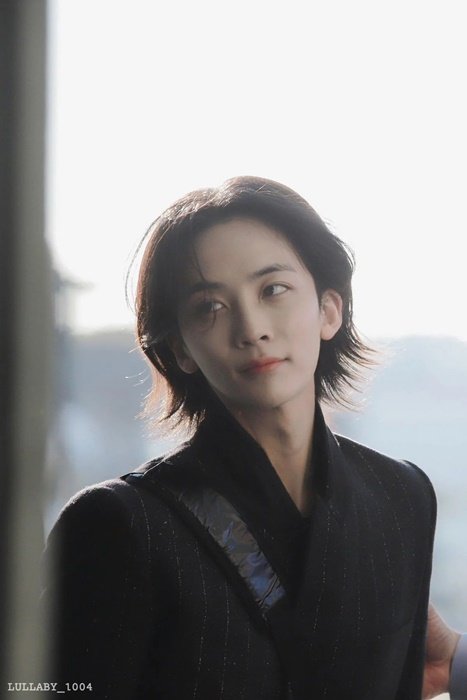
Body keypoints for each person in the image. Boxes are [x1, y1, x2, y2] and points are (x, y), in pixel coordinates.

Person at [41, 175, 460, 699]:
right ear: (180, 350)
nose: (251, 328)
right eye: (209, 307)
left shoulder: (400, 497)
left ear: (329, 309)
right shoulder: (119, 524)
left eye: (273, 290)